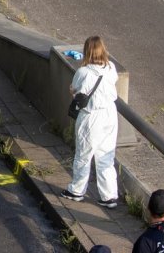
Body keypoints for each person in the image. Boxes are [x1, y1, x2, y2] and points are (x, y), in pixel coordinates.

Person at [60, 36, 120, 209]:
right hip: (110, 114)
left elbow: (76, 91)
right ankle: (109, 196)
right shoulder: (110, 67)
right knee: (106, 156)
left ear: (86, 51)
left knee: (84, 155)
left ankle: (76, 190)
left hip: (91, 116)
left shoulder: (83, 72)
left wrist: (73, 91)